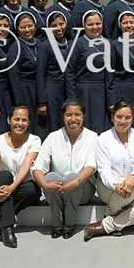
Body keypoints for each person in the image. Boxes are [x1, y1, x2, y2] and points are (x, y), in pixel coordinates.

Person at [84, 100, 134, 240]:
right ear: (112, 117)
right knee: (131, 190)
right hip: (108, 187)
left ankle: (106, 223)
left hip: (133, 184)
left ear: (132, 118)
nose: (123, 121)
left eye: (127, 117)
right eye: (119, 117)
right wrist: (116, 185)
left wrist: (132, 177)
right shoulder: (103, 138)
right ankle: (114, 217)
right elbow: (103, 170)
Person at [33, 99, 97, 239]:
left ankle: (69, 223)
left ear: (83, 116)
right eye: (69, 115)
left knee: (72, 177)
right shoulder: (53, 137)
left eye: (77, 114)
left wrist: (75, 182)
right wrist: (44, 184)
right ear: (63, 117)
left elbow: (91, 166)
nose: (73, 119)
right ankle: (56, 223)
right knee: (50, 177)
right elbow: (38, 165)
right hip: (59, 189)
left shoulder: (92, 137)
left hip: (82, 188)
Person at [0, 106, 41, 248]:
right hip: (0, 184)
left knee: (31, 190)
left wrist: (12, 187)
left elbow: (26, 167)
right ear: (8, 120)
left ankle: (0, 223)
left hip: (21, 185)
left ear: (29, 123)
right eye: (16, 119)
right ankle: (7, 230)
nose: (20, 123)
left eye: (24, 120)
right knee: (4, 174)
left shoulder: (34, 140)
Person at [65, 10, 109, 133]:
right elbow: (69, 73)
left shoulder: (108, 43)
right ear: (84, 26)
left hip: (102, 93)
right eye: (90, 24)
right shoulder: (77, 44)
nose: (95, 27)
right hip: (83, 92)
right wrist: (72, 99)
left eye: (98, 23)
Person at [6, 12, 43, 139]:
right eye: (23, 27)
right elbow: (13, 76)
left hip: (39, 89)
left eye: (30, 26)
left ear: (35, 26)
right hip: (24, 90)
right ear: (17, 29)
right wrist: (20, 102)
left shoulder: (40, 43)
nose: (27, 30)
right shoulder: (15, 48)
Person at [37, 11, 71, 139]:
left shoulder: (70, 43)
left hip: (67, 89)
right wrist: (42, 101)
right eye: (54, 25)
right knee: (54, 123)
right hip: (52, 90)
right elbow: (40, 73)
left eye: (61, 24)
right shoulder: (45, 46)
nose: (58, 28)